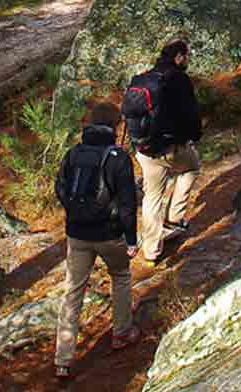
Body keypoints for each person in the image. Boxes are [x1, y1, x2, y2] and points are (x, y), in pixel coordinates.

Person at [53, 101, 141, 381]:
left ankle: (62, 360)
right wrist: (130, 239)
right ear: (115, 127)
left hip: (77, 234)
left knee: (73, 292)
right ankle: (122, 333)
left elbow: (60, 188)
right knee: (121, 276)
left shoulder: (73, 153)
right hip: (109, 234)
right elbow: (127, 203)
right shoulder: (119, 157)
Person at [134, 39, 202, 262]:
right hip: (171, 147)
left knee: (152, 196)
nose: (188, 60)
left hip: (144, 150)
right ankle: (174, 218)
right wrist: (194, 136)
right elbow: (190, 113)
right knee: (191, 167)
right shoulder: (179, 79)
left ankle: (152, 251)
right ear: (179, 57)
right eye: (187, 56)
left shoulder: (144, 77)